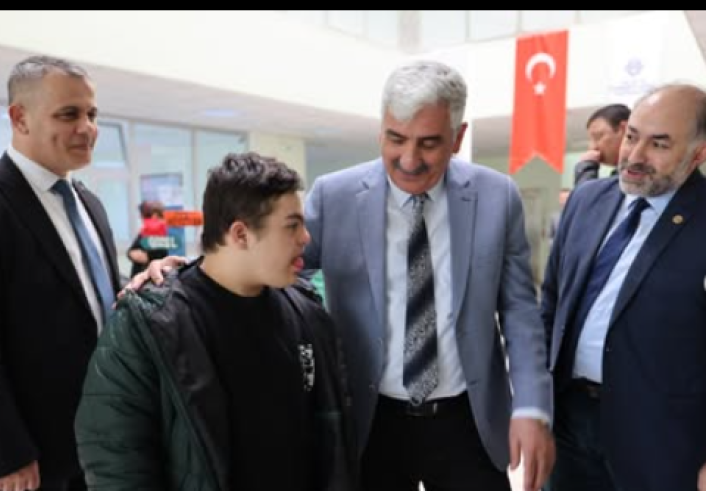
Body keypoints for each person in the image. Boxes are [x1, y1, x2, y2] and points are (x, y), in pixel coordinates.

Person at [303, 60, 554, 491]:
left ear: (458, 137)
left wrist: (531, 407)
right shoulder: (333, 196)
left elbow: (519, 310)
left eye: (429, 143)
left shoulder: (497, 196)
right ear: (380, 130)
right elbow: (285, 278)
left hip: (467, 419)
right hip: (369, 419)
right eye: (395, 138)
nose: (409, 159)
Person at [75, 152, 357, 491]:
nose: (306, 238)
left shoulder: (307, 313)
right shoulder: (148, 324)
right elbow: (116, 463)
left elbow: (331, 442)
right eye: (292, 225)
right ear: (240, 234)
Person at [0, 55, 122, 491]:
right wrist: (6, 453)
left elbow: (92, 308)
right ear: (19, 118)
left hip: (102, 441)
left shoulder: (91, 205)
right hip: (29, 456)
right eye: (69, 114)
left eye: (92, 114)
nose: (87, 128)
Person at [542, 83, 706, 491]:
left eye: (659, 144)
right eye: (632, 136)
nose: (634, 156)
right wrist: (534, 404)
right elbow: (551, 304)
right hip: (567, 425)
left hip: (661, 440)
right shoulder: (586, 201)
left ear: (698, 154)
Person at [573, 103, 630, 186]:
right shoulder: (620, 174)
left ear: (624, 129)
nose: (593, 147)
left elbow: (587, 194)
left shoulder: (637, 172)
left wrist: (586, 167)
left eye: (598, 136)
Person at [127, 199, 169, 277]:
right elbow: (130, 252)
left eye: (145, 215)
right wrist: (132, 254)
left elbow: (151, 257)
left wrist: (144, 256)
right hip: (137, 278)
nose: (141, 218)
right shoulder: (144, 232)